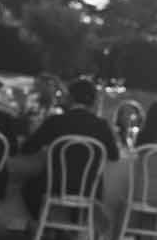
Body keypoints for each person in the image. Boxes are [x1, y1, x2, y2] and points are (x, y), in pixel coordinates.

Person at [15, 76, 120, 225]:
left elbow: (28, 148)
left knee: (28, 186)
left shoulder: (57, 121)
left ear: (70, 98)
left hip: (53, 184)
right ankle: (73, 229)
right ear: (93, 101)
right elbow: (114, 156)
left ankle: (45, 225)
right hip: (89, 188)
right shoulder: (101, 126)